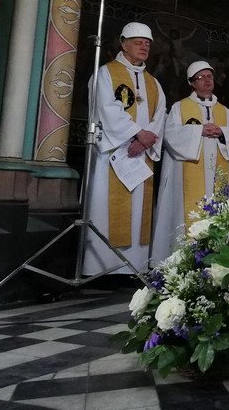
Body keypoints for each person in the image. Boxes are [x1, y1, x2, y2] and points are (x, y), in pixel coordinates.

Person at [82, 22, 166, 276]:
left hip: (139, 156)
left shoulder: (153, 83)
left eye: (147, 43)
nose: (144, 47)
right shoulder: (106, 74)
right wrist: (136, 133)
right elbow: (106, 109)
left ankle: (133, 268)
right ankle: (102, 268)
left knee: (138, 211)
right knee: (107, 210)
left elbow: (160, 115)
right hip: (114, 155)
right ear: (123, 44)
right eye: (138, 42)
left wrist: (144, 140)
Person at [152, 61, 229, 263]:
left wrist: (222, 132)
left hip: (215, 174)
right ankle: (184, 261)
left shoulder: (224, 111)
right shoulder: (180, 107)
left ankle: (215, 259)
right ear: (192, 83)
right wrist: (198, 130)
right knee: (188, 216)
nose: (207, 80)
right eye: (201, 77)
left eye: (209, 76)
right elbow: (171, 134)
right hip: (188, 175)